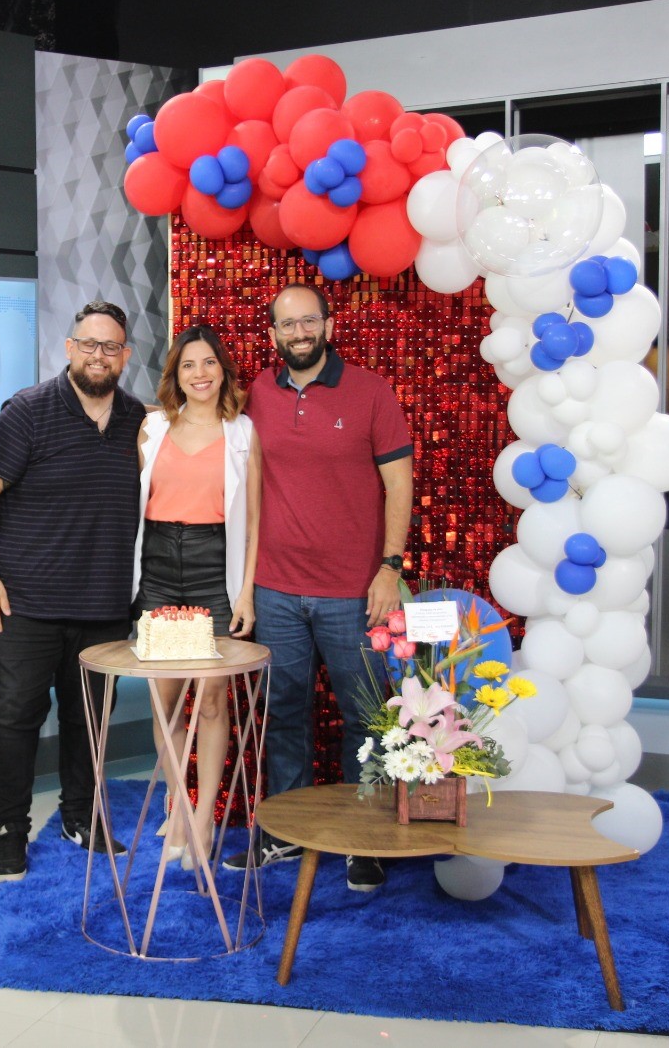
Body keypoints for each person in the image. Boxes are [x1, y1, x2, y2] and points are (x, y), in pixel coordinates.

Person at [223, 283, 414, 893]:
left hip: (354, 592)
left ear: (327, 326)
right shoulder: (255, 392)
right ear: (273, 335)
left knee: (367, 716)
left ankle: (364, 835)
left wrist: (390, 565)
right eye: (287, 325)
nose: (299, 333)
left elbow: (399, 484)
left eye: (309, 321)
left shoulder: (370, 391)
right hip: (275, 588)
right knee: (283, 714)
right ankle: (285, 830)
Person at [0, 300, 144, 882]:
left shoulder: (138, 420)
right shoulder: (29, 412)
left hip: (103, 608)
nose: (99, 355)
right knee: (16, 718)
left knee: (88, 722)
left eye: (110, 346)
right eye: (89, 344)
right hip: (25, 605)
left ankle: (81, 817)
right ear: (69, 349)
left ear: (126, 355)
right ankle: (9, 831)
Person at [133, 324, 261, 871]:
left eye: (209, 362)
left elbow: (253, 522)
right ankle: (179, 808)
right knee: (163, 705)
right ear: (176, 375)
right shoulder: (152, 428)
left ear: (223, 371)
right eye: (189, 365)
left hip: (215, 570)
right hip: (159, 569)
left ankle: (204, 815)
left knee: (211, 701)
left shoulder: (243, 433)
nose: (200, 373)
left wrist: (246, 593)